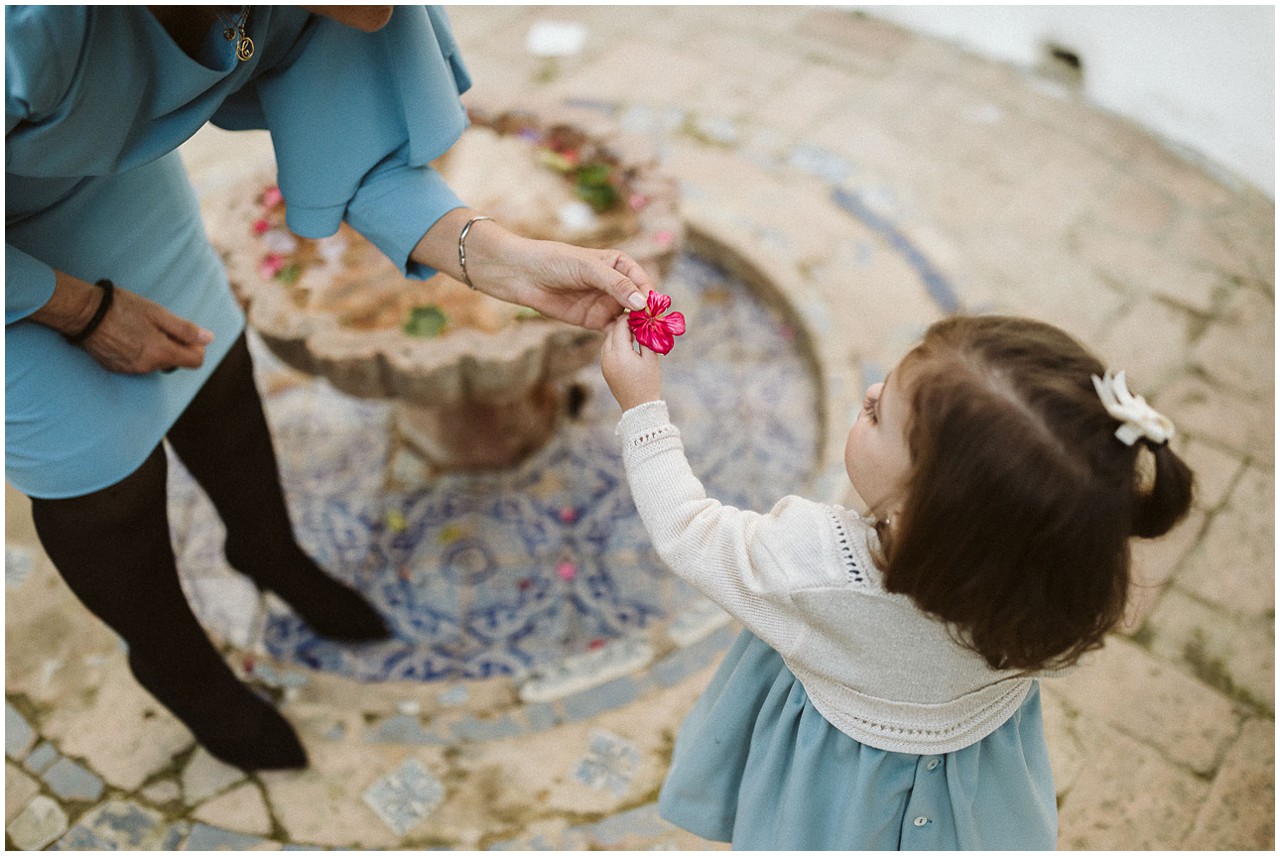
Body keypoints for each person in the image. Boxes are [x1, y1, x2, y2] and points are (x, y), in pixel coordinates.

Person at [6, 6, 653, 772]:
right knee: (101, 473)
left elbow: (367, 162)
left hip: (97, 169)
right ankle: (174, 665)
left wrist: (512, 265)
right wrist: (84, 310)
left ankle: (268, 551)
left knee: (215, 363)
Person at [600, 313, 1194, 849]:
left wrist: (642, 408)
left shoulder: (814, 569)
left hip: (825, 801)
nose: (871, 390)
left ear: (917, 515)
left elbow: (687, 529)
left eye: (878, 415)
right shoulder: (1054, 583)